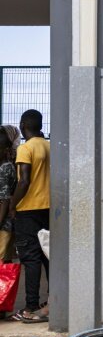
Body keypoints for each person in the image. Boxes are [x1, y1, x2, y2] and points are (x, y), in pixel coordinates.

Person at [8, 110, 50, 323]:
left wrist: (12, 206)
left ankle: (30, 306)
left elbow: (23, 181)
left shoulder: (26, 148)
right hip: (49, 209)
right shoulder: (50, 146)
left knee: (30, 258)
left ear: (23, 124)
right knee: (48, 256)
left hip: (28, 210)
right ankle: (53, 300)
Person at [0, 129, 17, 263]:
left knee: (2, 262)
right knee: (5, 261)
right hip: (8, 225)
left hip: (3, 224)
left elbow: (5, 199)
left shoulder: (4, 168)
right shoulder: (10, 166)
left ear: (5, 150)